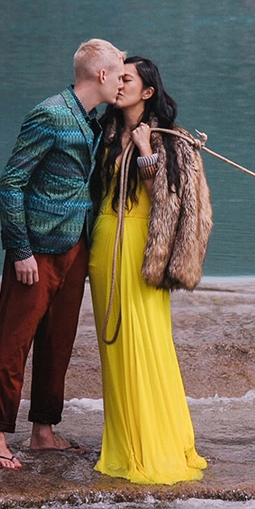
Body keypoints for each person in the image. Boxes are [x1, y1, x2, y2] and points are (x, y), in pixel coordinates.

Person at [0, 39, 126, 470]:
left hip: (76, 246)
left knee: (57, 343)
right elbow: (11, 183)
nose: (121, 82)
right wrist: (20, 248)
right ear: (101, 76)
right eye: (119, 74)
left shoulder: (95, 119)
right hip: (37, 250)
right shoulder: (50, 113)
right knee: (14, 342)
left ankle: (43, 431)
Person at [88, 55, 212, 484]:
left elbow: (169, 200)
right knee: (115, 345)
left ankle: (152, 444)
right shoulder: (102, 132)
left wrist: (144, 151)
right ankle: (122, 440)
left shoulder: (167, 138)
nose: (117, 84)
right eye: (116, 77)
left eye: (127, 79)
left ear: (148, 92)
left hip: (145, 248)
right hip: (105, 243)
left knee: (148, 341)